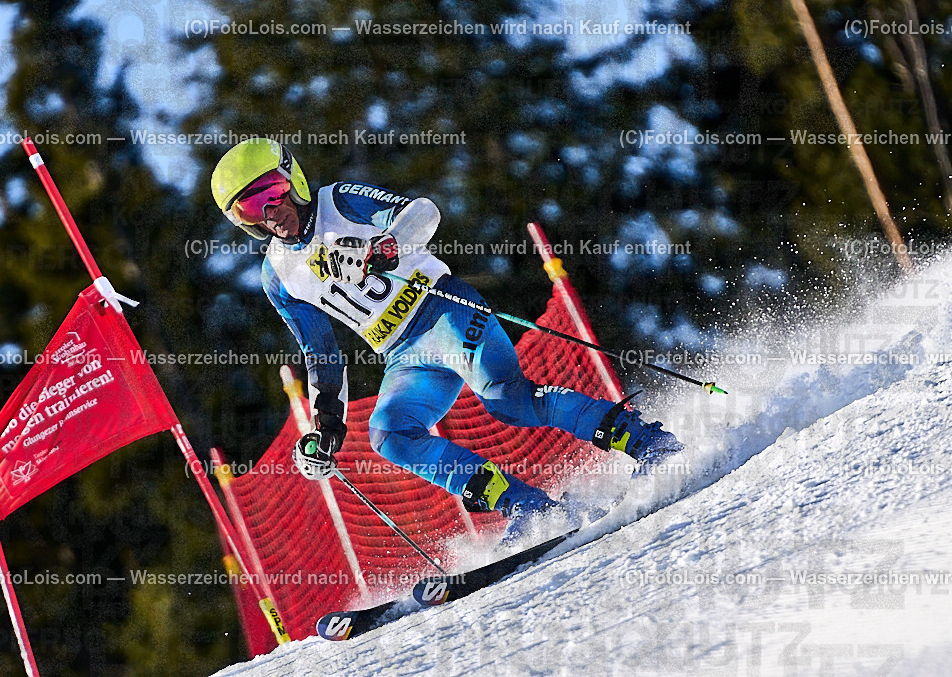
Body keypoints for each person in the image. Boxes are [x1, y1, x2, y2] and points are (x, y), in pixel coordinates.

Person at [210, 138, 675, 528]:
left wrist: (386, 247)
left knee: (507, 400)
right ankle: (530, 508)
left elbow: (422, 212)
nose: (269, 211)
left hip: (442, 306)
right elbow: (321, 353)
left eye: (272, 191)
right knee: (389, 433)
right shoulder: (278, 275)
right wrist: (326, 428)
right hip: (403, 354)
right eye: (248, 207)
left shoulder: (339, 201)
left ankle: (646, 441)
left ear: (295, 178)